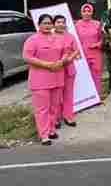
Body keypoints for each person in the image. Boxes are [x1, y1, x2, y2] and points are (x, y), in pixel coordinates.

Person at [23, 14, 67, 145]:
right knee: (42, 109)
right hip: (40, 80)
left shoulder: (58, 38)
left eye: (49, 23)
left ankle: (51, 130)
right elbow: (27, 56)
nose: (48, 26)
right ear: (39, 25)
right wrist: (46, 64)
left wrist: (62, 61)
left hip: (57, 77)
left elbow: (66, 51)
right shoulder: (32, 40)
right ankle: (44, 135)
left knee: (54, 107)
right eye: (45, 23)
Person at [53, 15, 80, 128]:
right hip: (55, 70)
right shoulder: (50, 37)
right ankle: (56, 118)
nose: (61, 24)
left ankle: (68, 116)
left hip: (69, 68)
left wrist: (69, 58)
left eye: (63, 22)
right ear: (54, 24)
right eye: (58, 22)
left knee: (68, 94)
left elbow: (76, 50)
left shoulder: (70, 36)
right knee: (56, 96)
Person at [75, 3, 103, 95]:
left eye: (89, 11)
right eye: (84, 11)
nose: (86, 13)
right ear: (81, 13)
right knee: (84, 76)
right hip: (82, 54)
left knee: (96, 75)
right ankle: (87, 97)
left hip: (95, 53)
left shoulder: (97, 24)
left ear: (92, 13)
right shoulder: (77, 25)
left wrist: (97, 44)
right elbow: (74, 40)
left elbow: (103, 38)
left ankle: (97, 96)